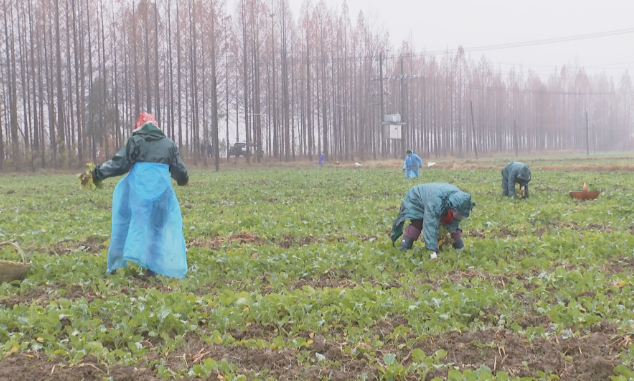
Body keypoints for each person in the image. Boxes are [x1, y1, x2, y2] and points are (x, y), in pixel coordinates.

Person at [92, 112, 189, 278]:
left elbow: (120, 164)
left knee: (127, 223)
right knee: (157, 228)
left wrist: (97, 173)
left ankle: (116, 263)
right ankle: (152, 270)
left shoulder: (136, 141)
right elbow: (179, 171)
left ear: (139, 127)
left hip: (138, 196)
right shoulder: (169, 145)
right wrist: (183, 180)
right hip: (162, 195)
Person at [391, 183, 475, 259]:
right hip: (416, 197)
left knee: (450, 221)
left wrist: (450, 233)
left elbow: (454, 222)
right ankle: (405, 247)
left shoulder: (460, 201)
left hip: (434, 198)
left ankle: (459, 247)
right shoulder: (436, 203)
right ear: (453, 208)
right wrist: (432, 251)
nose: (459, 216)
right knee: (418, 222)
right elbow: (430, 225)